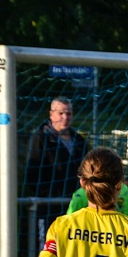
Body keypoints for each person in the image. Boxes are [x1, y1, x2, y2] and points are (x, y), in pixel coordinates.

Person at [24, 97, 88, 234]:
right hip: (49, 207)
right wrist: (48, 195)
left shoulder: (79, 140)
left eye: (69, 113)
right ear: (51, 114)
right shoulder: (41, 138)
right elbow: (32, 173)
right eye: (61, 113)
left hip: (76, 206)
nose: (65, 117)